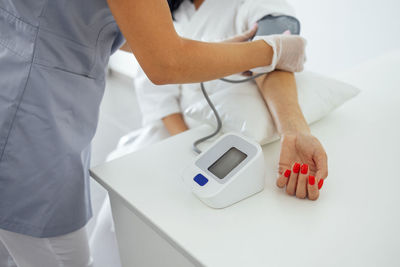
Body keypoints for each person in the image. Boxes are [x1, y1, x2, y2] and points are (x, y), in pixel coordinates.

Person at [0, 0, 306, 266]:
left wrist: (294, 130)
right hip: (27, 112)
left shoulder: (254, 6)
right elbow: (164, 63)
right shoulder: (183, 11)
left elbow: (276, 61)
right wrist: (271, 51)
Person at [110, 0, 328, 201]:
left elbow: (274, 67)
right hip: (177, 135)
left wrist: (294, 131)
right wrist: (190, 149)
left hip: (232, 143)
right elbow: (159, 94)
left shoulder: (251, 4)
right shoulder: (164, 9)